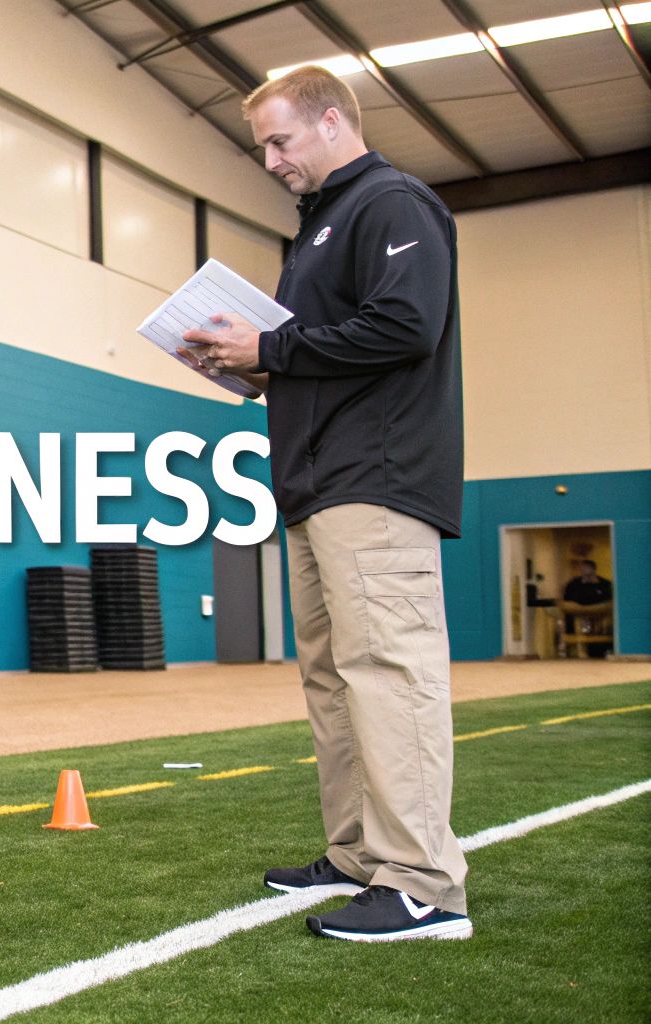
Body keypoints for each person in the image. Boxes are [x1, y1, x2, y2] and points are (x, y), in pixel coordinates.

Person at [181, 67, 471, 942]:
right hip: (312, 485)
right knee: (333, 678)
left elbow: (406, 324)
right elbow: (324, 350)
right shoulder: (316, 233)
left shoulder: (392, 202)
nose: (269, 160)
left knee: (388, 671)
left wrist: (271, 342)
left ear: (334, 121)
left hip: (374, 479)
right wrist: (252, 364)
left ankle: (423, 884)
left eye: (281, 141)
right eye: (262, 145)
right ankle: (357, 856)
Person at [560, 559, 614, 658]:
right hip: (577, 608)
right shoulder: (574, 583)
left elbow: (608, 597)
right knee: (567, 610)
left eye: (586, 568)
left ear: (593, 569)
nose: (583, 570)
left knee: (609, 611)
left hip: (599, 608)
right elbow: (567, 597)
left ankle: (603, 645)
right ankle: (571, 644)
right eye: (582, 568)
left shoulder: (604, 584)